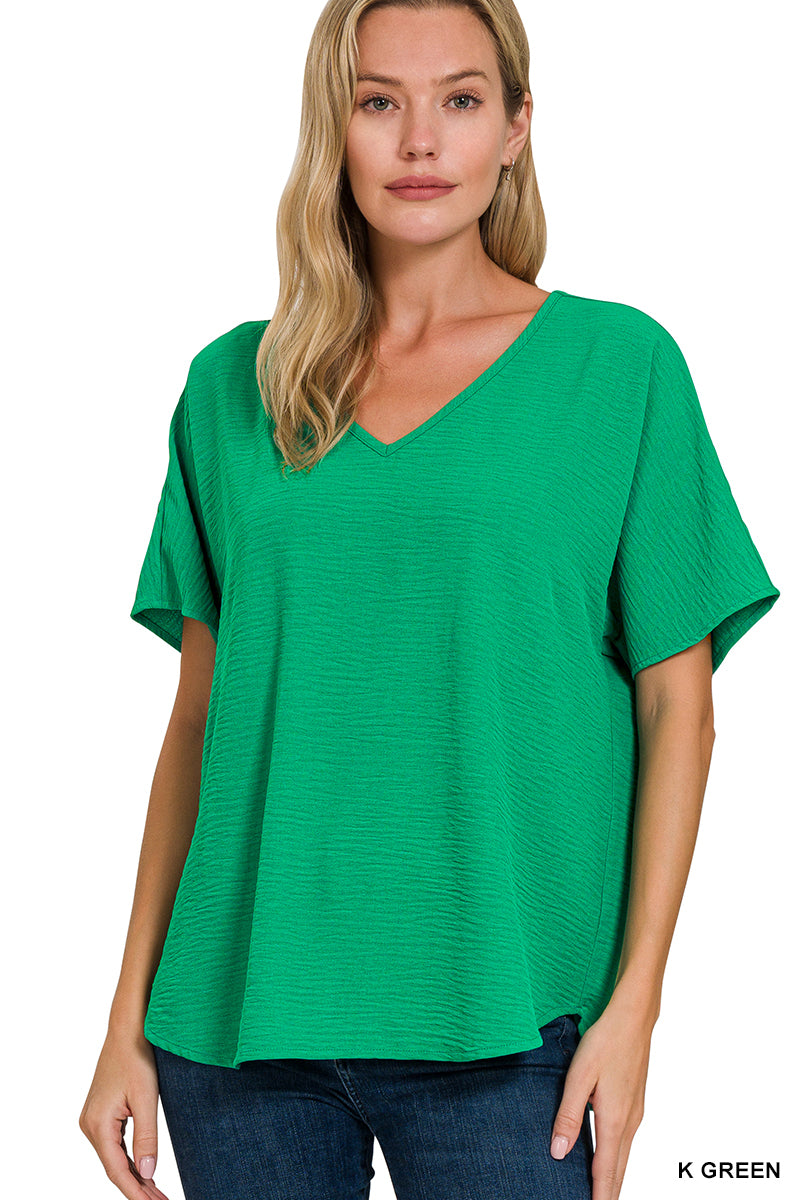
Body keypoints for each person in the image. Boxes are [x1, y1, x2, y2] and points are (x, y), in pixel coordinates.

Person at [78, 1, 781, 1198]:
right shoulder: (231, 387)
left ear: (514, 128)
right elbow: (198, 722)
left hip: (511, 1021)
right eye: (377, 102)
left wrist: (635, 1010)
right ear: (334, 129)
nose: (418, 140)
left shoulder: (618, 369)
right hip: (239, 1030)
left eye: (459, 100)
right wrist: (123, 1021)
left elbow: (680, 708)